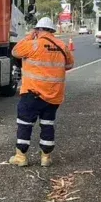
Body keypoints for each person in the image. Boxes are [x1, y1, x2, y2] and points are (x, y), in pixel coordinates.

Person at [9, 16, 74, 167]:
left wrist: (30, 36)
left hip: (33, 94)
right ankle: (46, 157)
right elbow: (69, 64)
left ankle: (21, 157)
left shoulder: (33, 45)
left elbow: (15, 51)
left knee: (25, 124)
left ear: (38, 30)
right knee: (47, 124)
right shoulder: (62, 46)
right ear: (52, 31)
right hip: (53, 96)